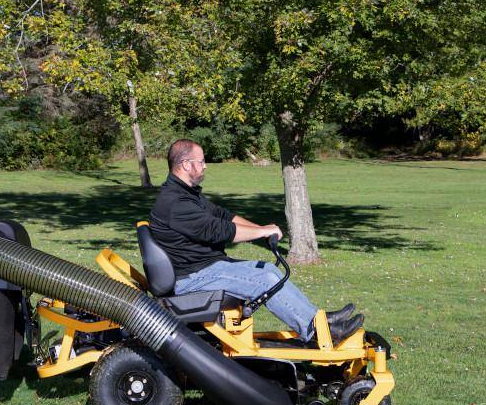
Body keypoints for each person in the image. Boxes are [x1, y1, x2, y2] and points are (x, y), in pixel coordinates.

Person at [148, 138, 364, 344]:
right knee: (265, 280)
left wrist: (261, 229)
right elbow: (220, 231)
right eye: (202, 161)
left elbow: (223, 216)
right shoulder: (175, 202)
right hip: (193, 278)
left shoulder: (186, 194)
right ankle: (319, 332)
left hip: (206, 268)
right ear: (186, 164)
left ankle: (320, 319)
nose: (205, 166)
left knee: (267, 270)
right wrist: (261, 233)